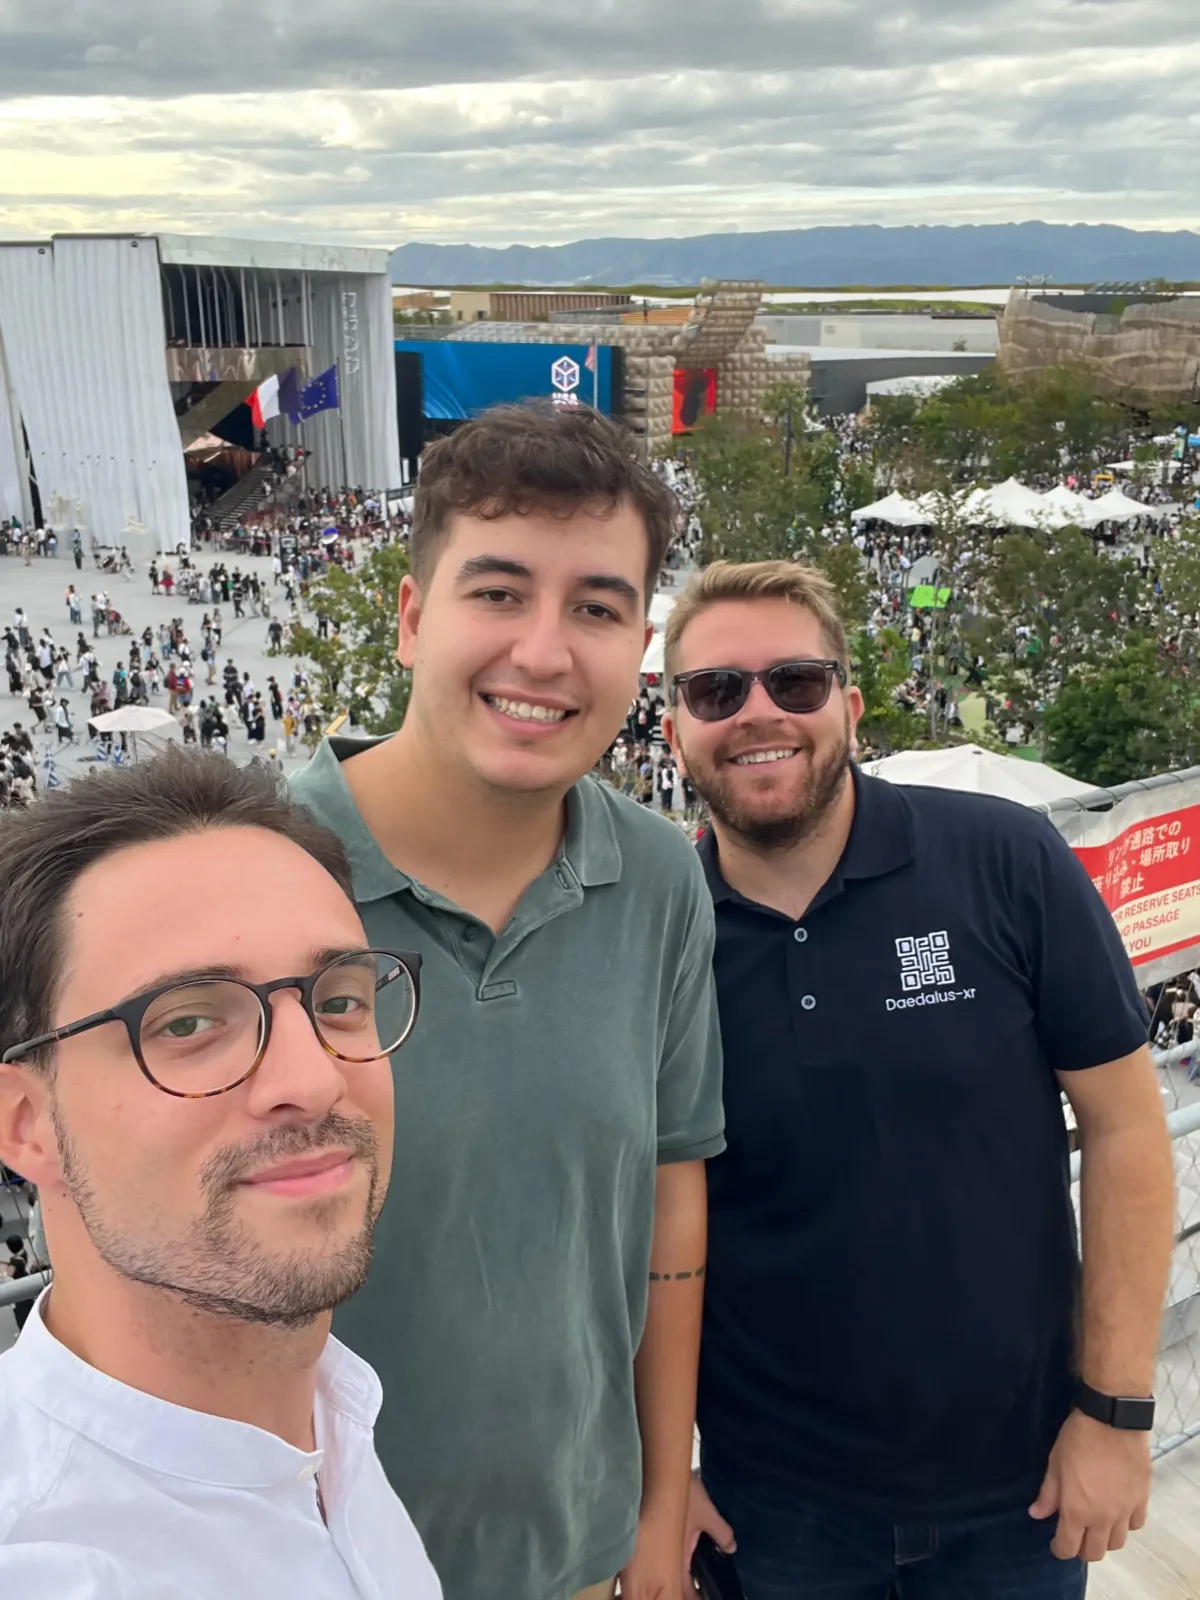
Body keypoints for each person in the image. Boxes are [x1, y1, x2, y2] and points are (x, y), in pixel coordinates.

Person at [661, 560, 1176, 1600]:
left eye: (795, 681)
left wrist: (1116, 1412)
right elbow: (646, 1220)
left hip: (1022, 1490)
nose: (758, 712)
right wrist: (658, 1472)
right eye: (717, 690)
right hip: (775, 1506)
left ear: (849, 707)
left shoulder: (1006, 859)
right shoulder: (660, 933)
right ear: (675, 731)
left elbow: (1126, 1128)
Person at [292, 403, 725, 1600]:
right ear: (411, 617)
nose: (543, 652)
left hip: (574, 1550)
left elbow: (669, 1196)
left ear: (639, 645)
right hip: (307, 1560)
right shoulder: (259, 875)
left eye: (596, 608)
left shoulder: (658, 877)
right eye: (498, 592)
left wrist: (658, 1500)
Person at [0, 750, 439, 1599]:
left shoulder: (333, 1417)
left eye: (339, 1001)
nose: (314, 1079)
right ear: (25, 1122)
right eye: (188, 1023)